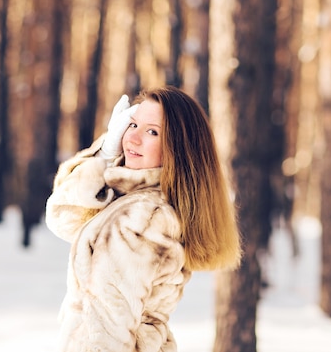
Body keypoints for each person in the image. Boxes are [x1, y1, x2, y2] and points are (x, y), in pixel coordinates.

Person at [45, 85, 241, 352]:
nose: (132, 139)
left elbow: (106, 326)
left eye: (152, 132)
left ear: (177, 148)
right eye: (132, 124)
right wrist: (105, 155)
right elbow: (63, 217)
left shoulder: (141, 218)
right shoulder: (136, 203)